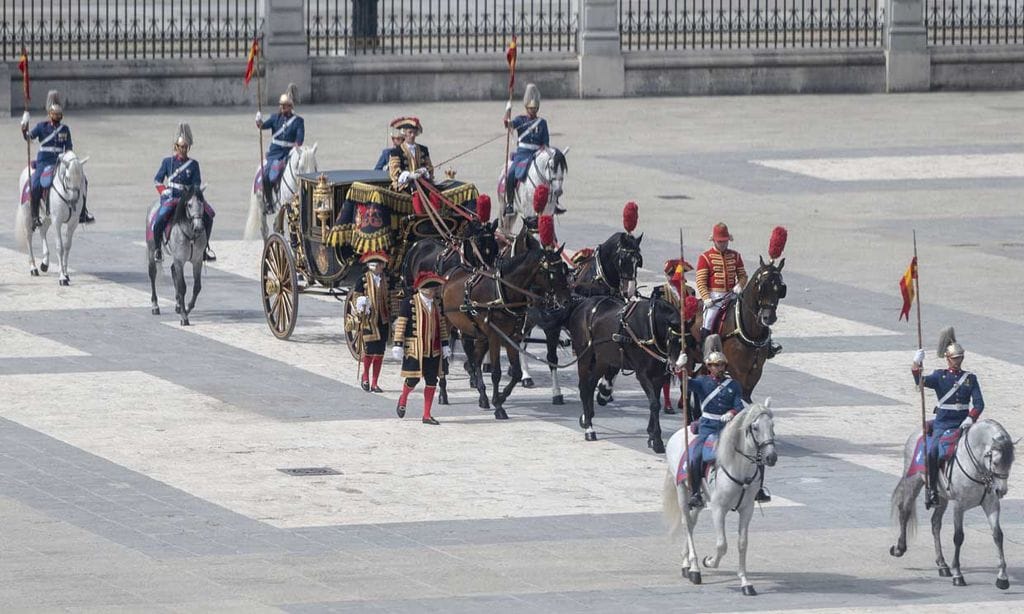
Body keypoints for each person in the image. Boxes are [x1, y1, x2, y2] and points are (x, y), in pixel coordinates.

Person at [912, 329, 984, 510]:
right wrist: (916, 363)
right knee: (933, 451)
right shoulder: (939, 376)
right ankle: (932, 490)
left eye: (960, 358)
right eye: (955, 358)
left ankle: (988, 486)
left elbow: (979, 404)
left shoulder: (970, 378)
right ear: (947, 359)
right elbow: (920, 381)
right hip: (943, 423)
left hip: (964, 423)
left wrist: (970, 419)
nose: (958, 361)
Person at [21, 90, 95, 227]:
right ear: (50, 115)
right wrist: (24, 126)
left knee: (83, 180)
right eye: (55, 115)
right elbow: (28, 137)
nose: (57, 117)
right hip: (44, 161)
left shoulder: (65, 129)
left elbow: (69, 147)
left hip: (60, 161)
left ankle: (83, 212)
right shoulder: (41, 127)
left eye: (59, 115)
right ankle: (35, 215)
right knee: (36, 184)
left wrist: (70, 159)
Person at [684, 349, 745, 509]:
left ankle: (756, 488)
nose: (718, 368)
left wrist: (732, 412)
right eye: (714, 365)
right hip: (707, 427)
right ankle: (696, 493)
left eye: (721, 365)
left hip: (727, 428)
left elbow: (739, 405)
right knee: (695, 456)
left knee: (752, 452)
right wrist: (680, 368)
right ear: (708, 367)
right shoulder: (702, 382)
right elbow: (685, 383)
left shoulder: (734, 385)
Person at [151, 123, 216, 262]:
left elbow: (197, 182)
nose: (184, 150)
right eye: (182, 147)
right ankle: (157, 250)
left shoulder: (193, 164)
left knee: (209, 216)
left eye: (186, 147)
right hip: (172, 197)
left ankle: (204, 249)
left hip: (188, 199)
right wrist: (164, 191)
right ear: (176, 147)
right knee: (159, 220)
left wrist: (194, 192)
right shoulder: (167, 162)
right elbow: (157, 180)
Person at [392, 272, 451, 425]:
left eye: (435, 289)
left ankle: (426, 415)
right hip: (415, 349)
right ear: (423, 289)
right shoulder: (409, 302)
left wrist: (445, 344)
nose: (434, 291)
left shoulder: (437, 304)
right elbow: (401, 324)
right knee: (413, 379)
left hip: (434, 349)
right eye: (432, 289)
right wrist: (398, 344)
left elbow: (441, 326)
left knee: (432, 381)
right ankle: (403, 398)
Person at [503, 83, 554, 213]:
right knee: (511, 174)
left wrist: (544, 153)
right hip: (522, 154)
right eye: (530, 109)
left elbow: (545, 143)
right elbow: (508, 125)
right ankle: (509, 203)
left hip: (536, 154)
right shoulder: (520, 120)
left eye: (535, 109)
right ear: (526, 108)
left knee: (551, 174)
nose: (532, 111)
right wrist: (507, 111)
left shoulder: (542, 123)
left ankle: (553, 199)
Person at [695, 223, 748, 345]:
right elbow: (701, 281)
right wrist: (706, 298)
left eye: (725, 241)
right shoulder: (705, 257)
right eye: (720, 241)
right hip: (715, 297)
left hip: (732, 294)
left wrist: (740, 285)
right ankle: (705, 347)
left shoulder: (736, 256)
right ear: (714, 241)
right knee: (708, 321)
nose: (723, 244)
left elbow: (742, 275)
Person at [652, 258, 694, 413]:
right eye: (669, 274)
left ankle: (684, 399)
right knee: (666, 369)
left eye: (675, 274)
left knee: (689, 365)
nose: (672, 277)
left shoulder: (690, 291)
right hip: (667, 334)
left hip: (686, 332)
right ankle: (667, 401)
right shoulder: (659, 291)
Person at [256, 83, 305, 211]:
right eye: (281, 106)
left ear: (290, 107)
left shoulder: (298, 121)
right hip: (275, 152)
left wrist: (296, 146)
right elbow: (262, 126)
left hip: (288, 152)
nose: (283, 108)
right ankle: (269, 202)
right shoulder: (274, 118)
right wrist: (258, 120)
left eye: (285, 106)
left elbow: (299, 138)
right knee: (266, 175)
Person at [352, 252, 391, 393]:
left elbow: (391, 298)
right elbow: (356, 298)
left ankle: (375, 382)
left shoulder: (386, 279)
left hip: (383, 320)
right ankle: (365, 376)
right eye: (380, 264)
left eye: (382, 264)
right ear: (373, 266)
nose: (382, 266)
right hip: (369, 320)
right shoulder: (362, 280)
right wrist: (361, 307)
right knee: (369, 351)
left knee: (380, 352)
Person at [387, 117, 433, 192]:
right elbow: (394, 172)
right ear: (404, 133)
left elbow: (430, 167)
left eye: (414, 132)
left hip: (422, 181)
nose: (412, 135)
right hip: (404, 184)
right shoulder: (396, 151)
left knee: (431, 188)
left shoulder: (423, 149)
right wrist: (409, 175)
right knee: (415, 189)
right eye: (410, 132)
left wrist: (424, 170)